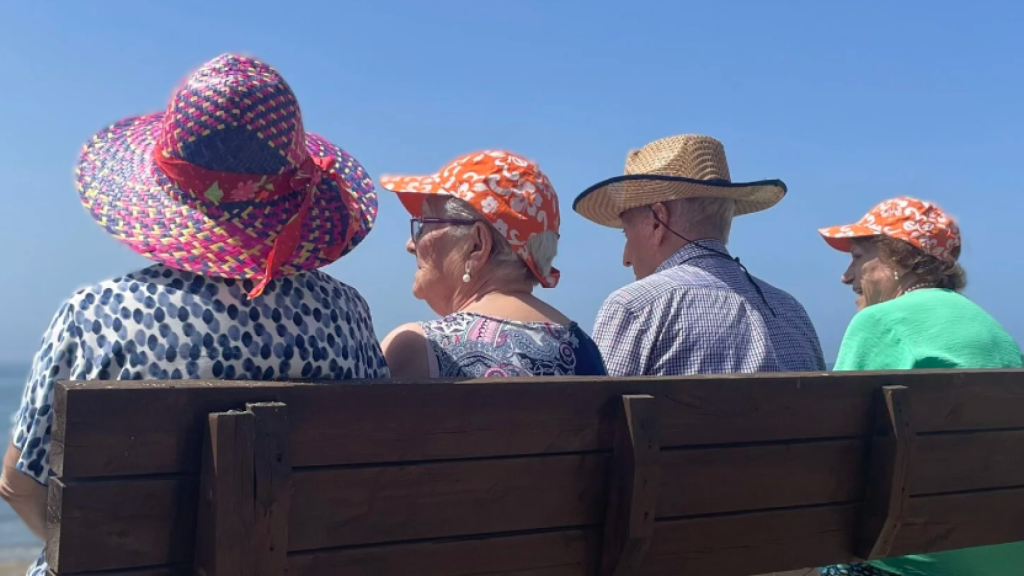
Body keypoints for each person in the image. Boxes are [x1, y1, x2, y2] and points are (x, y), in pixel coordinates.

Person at [0, 54, 388, 576]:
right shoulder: (349, 318)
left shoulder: (97, 316)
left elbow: (18, 484)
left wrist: (104, 556)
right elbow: (374, 477)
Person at [818, 196, 1023, 576]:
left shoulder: (880, 322)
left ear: (899, 260)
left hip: (910, 564)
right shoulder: (993, 331)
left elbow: (829, 459)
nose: (847, 275)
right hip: (1006, 560)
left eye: (859, 256)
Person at [573, 134, 825, 376]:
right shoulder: (792, 311)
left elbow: (595, 417)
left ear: (658, 221)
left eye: (626, 235)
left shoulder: (635, 307)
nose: (625, 258)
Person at [377, 150, 606, 378]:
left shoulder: (417, 349)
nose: (410, 244)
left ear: (477, 245)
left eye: (424, 224)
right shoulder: (586, 349)